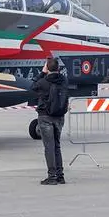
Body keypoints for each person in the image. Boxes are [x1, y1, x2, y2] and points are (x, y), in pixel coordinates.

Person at [30, 56, 69, 185]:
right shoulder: (63, 81)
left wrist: (42, 72)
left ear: (47, 68)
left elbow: (32, 86)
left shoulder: (43, 82)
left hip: (45, 117)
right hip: (59, 116)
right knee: (57, 146)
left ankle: (51, 176)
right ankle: (60, 175)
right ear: (58, 68)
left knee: (49, 147)